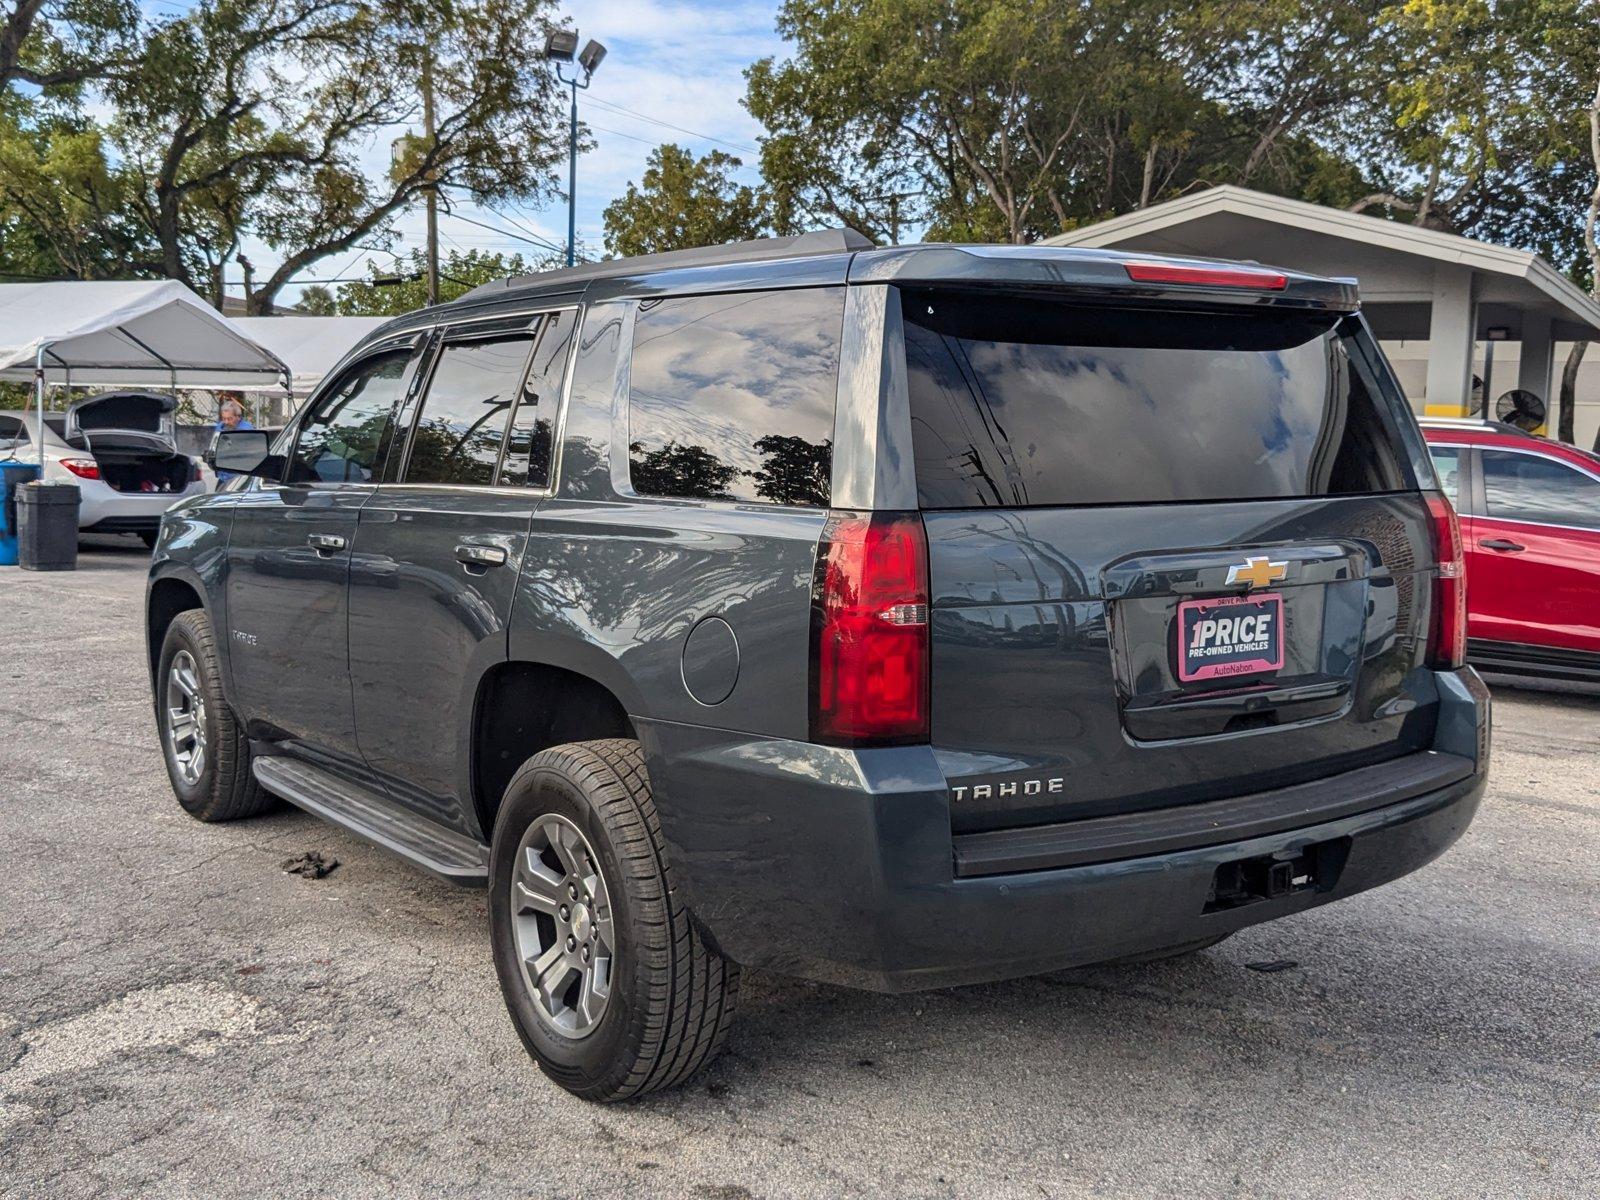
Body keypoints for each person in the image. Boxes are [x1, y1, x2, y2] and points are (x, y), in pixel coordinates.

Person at [213, 395, 254, 483]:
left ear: (238, 417)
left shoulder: (247, 430)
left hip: (239, 477)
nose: (226, 422)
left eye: (229, 419)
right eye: (224, 418)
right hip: (223, 476)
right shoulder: (220, 426)